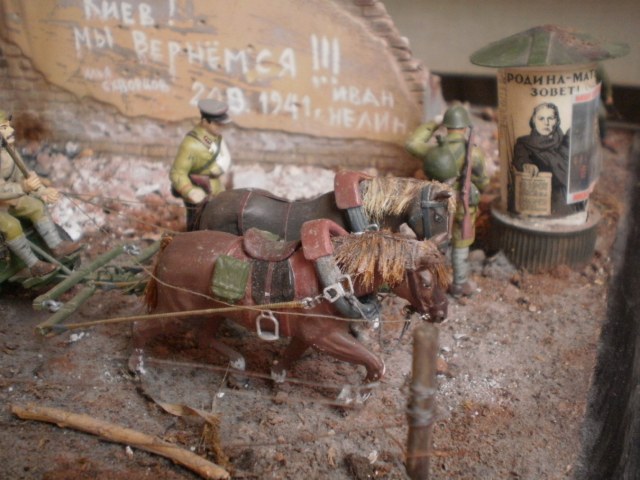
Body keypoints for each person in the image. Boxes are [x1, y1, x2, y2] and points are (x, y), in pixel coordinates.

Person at [405, 105, 489, 298]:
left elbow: (411, 143)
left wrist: (433, 124)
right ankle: (459, 283)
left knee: (436, 241)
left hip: (436, 201)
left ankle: (433, 283)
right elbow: (483, 181)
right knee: (461, 241)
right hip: (463, 203)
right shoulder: (474, 153)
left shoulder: (434, 150)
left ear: (447, 126)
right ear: (465, 127)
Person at [0, 110, 80, 277]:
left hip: (8, 201)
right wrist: (23, 188)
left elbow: (24, 177)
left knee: (36, 206)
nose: (11, 130)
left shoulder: (9, 152)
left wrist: (43, 191)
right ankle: (33, 265)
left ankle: (57, 246)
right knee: (11, 226)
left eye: (8, 126)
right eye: (3, 128)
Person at [170, 99, 232, 231]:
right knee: (197, 229)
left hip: (216, 189)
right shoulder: (191, 144)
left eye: (222, 124)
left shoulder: (216, 138)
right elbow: (177, 173)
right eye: (217, 124)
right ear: (205, 121)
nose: (221, 127)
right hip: (199, 192)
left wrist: (220, 170)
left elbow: (222, 157)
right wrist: (190, 191)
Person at [512, 102, 579, 215]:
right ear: (533, 121)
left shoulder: (564, 141)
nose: (546, 123)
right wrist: (526, 165)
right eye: (541, 119)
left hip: (563, 194)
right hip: (539, 196)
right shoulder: (524, 143)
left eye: (550, 118)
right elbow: (520, 157)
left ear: (557, 121)